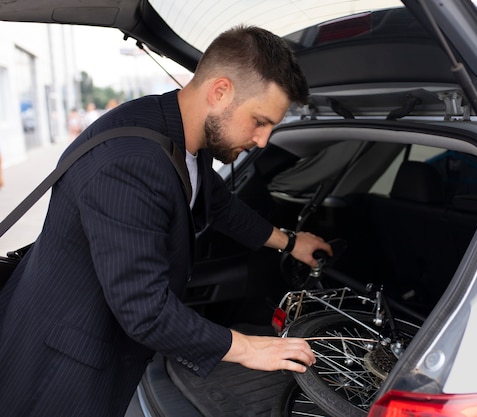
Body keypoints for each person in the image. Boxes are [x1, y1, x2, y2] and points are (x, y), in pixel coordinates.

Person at [0, 25, 331, 417]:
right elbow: (145, 309)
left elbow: (219, 203)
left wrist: (291, 243)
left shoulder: (180, 128)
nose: (263, 140)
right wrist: (247, 347)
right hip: (61, 364)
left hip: (87, 339)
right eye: (260, 121)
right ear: (220, 91)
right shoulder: (132, 163)